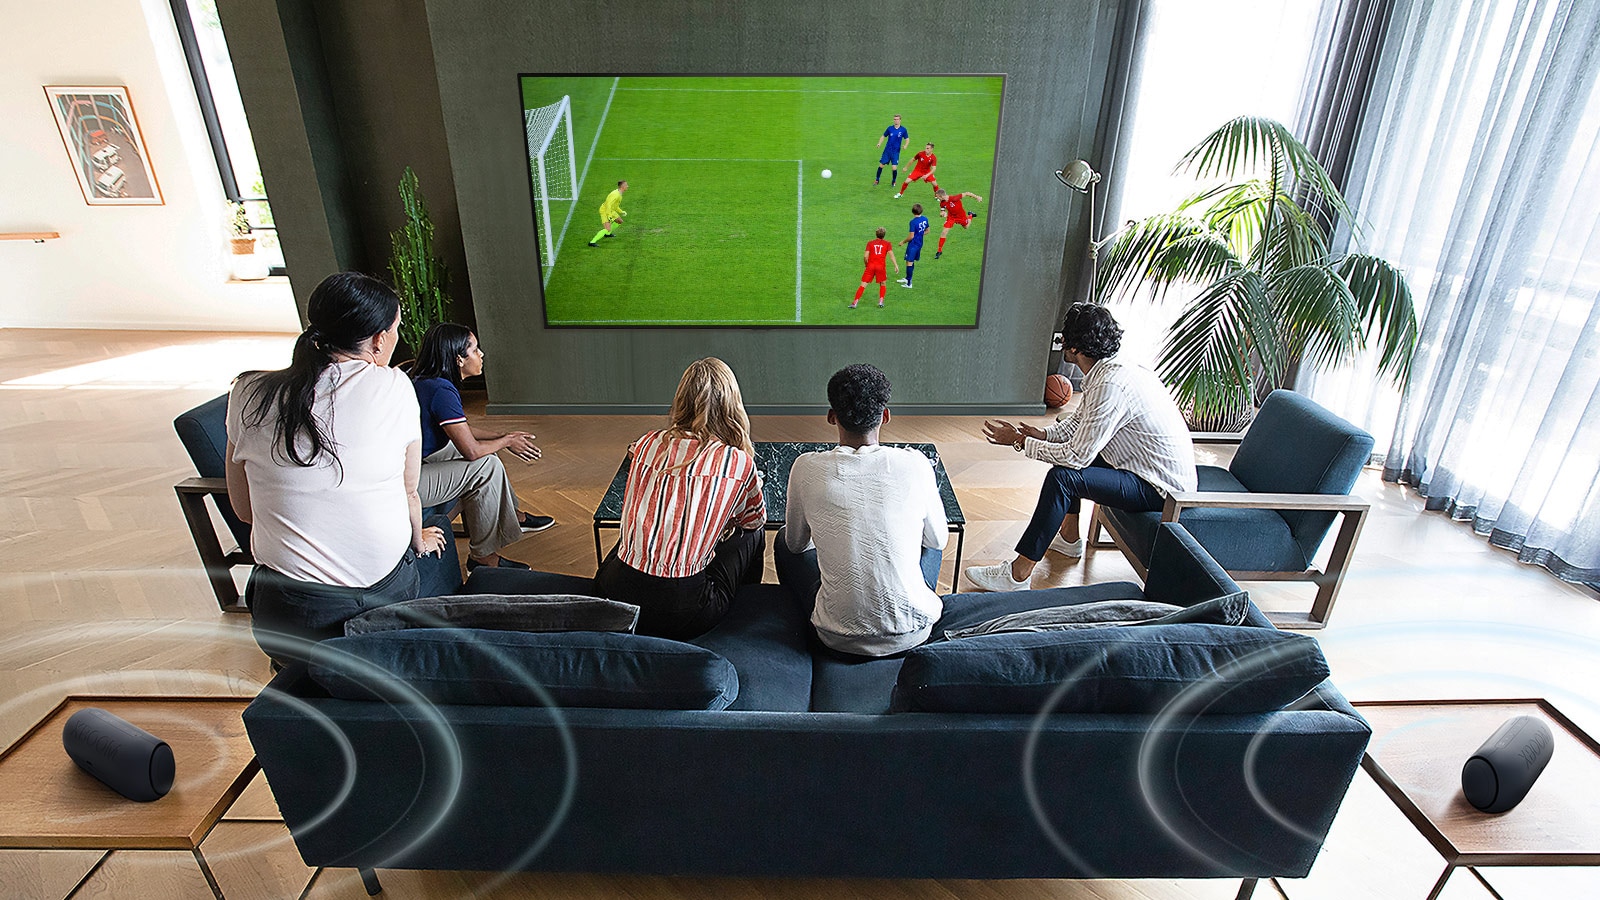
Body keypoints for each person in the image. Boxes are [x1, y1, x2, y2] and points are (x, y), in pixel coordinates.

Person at [225, 272, 448, 663]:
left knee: (300, 680)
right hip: (379, 596)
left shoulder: (246, 391)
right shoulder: (394, 386)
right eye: (396, 329)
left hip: (287, 613)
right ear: (380, 339)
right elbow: (408, 491)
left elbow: (244, 511)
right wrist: (420, 539)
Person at [964, 303, 1197, 592]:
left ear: (1074, 348)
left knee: (1063, 478)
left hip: (1159, 489)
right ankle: (1069, 539)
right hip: (1143, 471)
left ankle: (1018, 574)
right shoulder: (1109, 370)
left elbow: (1078, 456)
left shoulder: (1111, 383)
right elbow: (1079, 423)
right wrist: (1043, 434)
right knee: (1064, 461)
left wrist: (1021, 441)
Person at [776, 364, 948, 656]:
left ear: (831, 417)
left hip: (835, 637)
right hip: (914, 632)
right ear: (885, 416)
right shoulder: (916, 463)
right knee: (929, 538)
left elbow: (795, 544)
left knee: (782, 540)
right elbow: (938, 543)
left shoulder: (805, 467)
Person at [594, 358, 766, 639]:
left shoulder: (648, 442)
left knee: (636, 538)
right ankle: (743, 618)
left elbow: (633, 450)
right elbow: (753, 519)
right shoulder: (737, 461)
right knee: (754, 534)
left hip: (613, 591)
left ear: (681, 399)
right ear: (732, 405)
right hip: (683, 612)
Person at [410, 323, 554, 572]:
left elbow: (462, 431)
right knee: (485, 465)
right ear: (458, 359)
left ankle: (513, 516)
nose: (481, 355)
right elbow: (472, 452)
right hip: (407, 484)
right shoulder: (441, 391)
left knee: (489, 450)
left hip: (414, 464)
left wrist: (502, 436)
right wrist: (508, 442)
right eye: (475, 350)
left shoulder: (426, 379)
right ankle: (481, 558)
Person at [850, 227, 899, 309]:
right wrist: (896, 265)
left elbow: (865, 256)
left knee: (863, 285)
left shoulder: (870, 243)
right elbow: (891, 256)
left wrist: (866, 264)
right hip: (880, 267)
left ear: (876, 234)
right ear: (884, 235)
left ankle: (855, 302)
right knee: (883, 283)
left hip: (870, 266)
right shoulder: (887, 244)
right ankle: (881, 301)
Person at [933, 187, 982, 258]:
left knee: (966, 227)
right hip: (951, 217)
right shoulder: (942, 203)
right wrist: (942, 214)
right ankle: (939, 251)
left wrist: (977, 197)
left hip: (961, 216)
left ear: (942, 196)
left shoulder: (954, 198)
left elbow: (966, 193)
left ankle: (971, 215)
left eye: (938, 197)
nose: (937, 199)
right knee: (944, 231)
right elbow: (942, 211)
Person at [897, 203, 931, 288]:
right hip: (919, 243)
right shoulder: (925, 219)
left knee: (909, 262)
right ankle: (907, 278)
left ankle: (909, 284)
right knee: (909, 261)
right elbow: (927, 231)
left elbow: (911, 236)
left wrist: (903, 242)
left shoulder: (913, 222)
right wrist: (919, 234)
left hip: (913, 245)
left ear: (913, 212)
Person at [588, 180, 628, 246]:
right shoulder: (615, 195)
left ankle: (607, 234)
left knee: (619, 221)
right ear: (622, 187)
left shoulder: (620, 194)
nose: (627, 186)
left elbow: (615, 206)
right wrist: (609, 216)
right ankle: (592, 242)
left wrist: (621, 211)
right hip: (605, 211)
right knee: (607, 228)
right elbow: (608, 205)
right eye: (626, 185)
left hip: (611, 210)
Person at [874, 114, 909, 186]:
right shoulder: (890, 128)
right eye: (894, 119)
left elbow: (907, 139)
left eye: (897, 119)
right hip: (887, 151)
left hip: (895, 152)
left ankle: (893, 181)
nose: (895, 120)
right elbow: (883, 136)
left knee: (894, 168)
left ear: (900, 120)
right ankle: (877, 180)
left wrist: (905, 145)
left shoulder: (903, 130)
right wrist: (879, 143)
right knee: (881, 165)